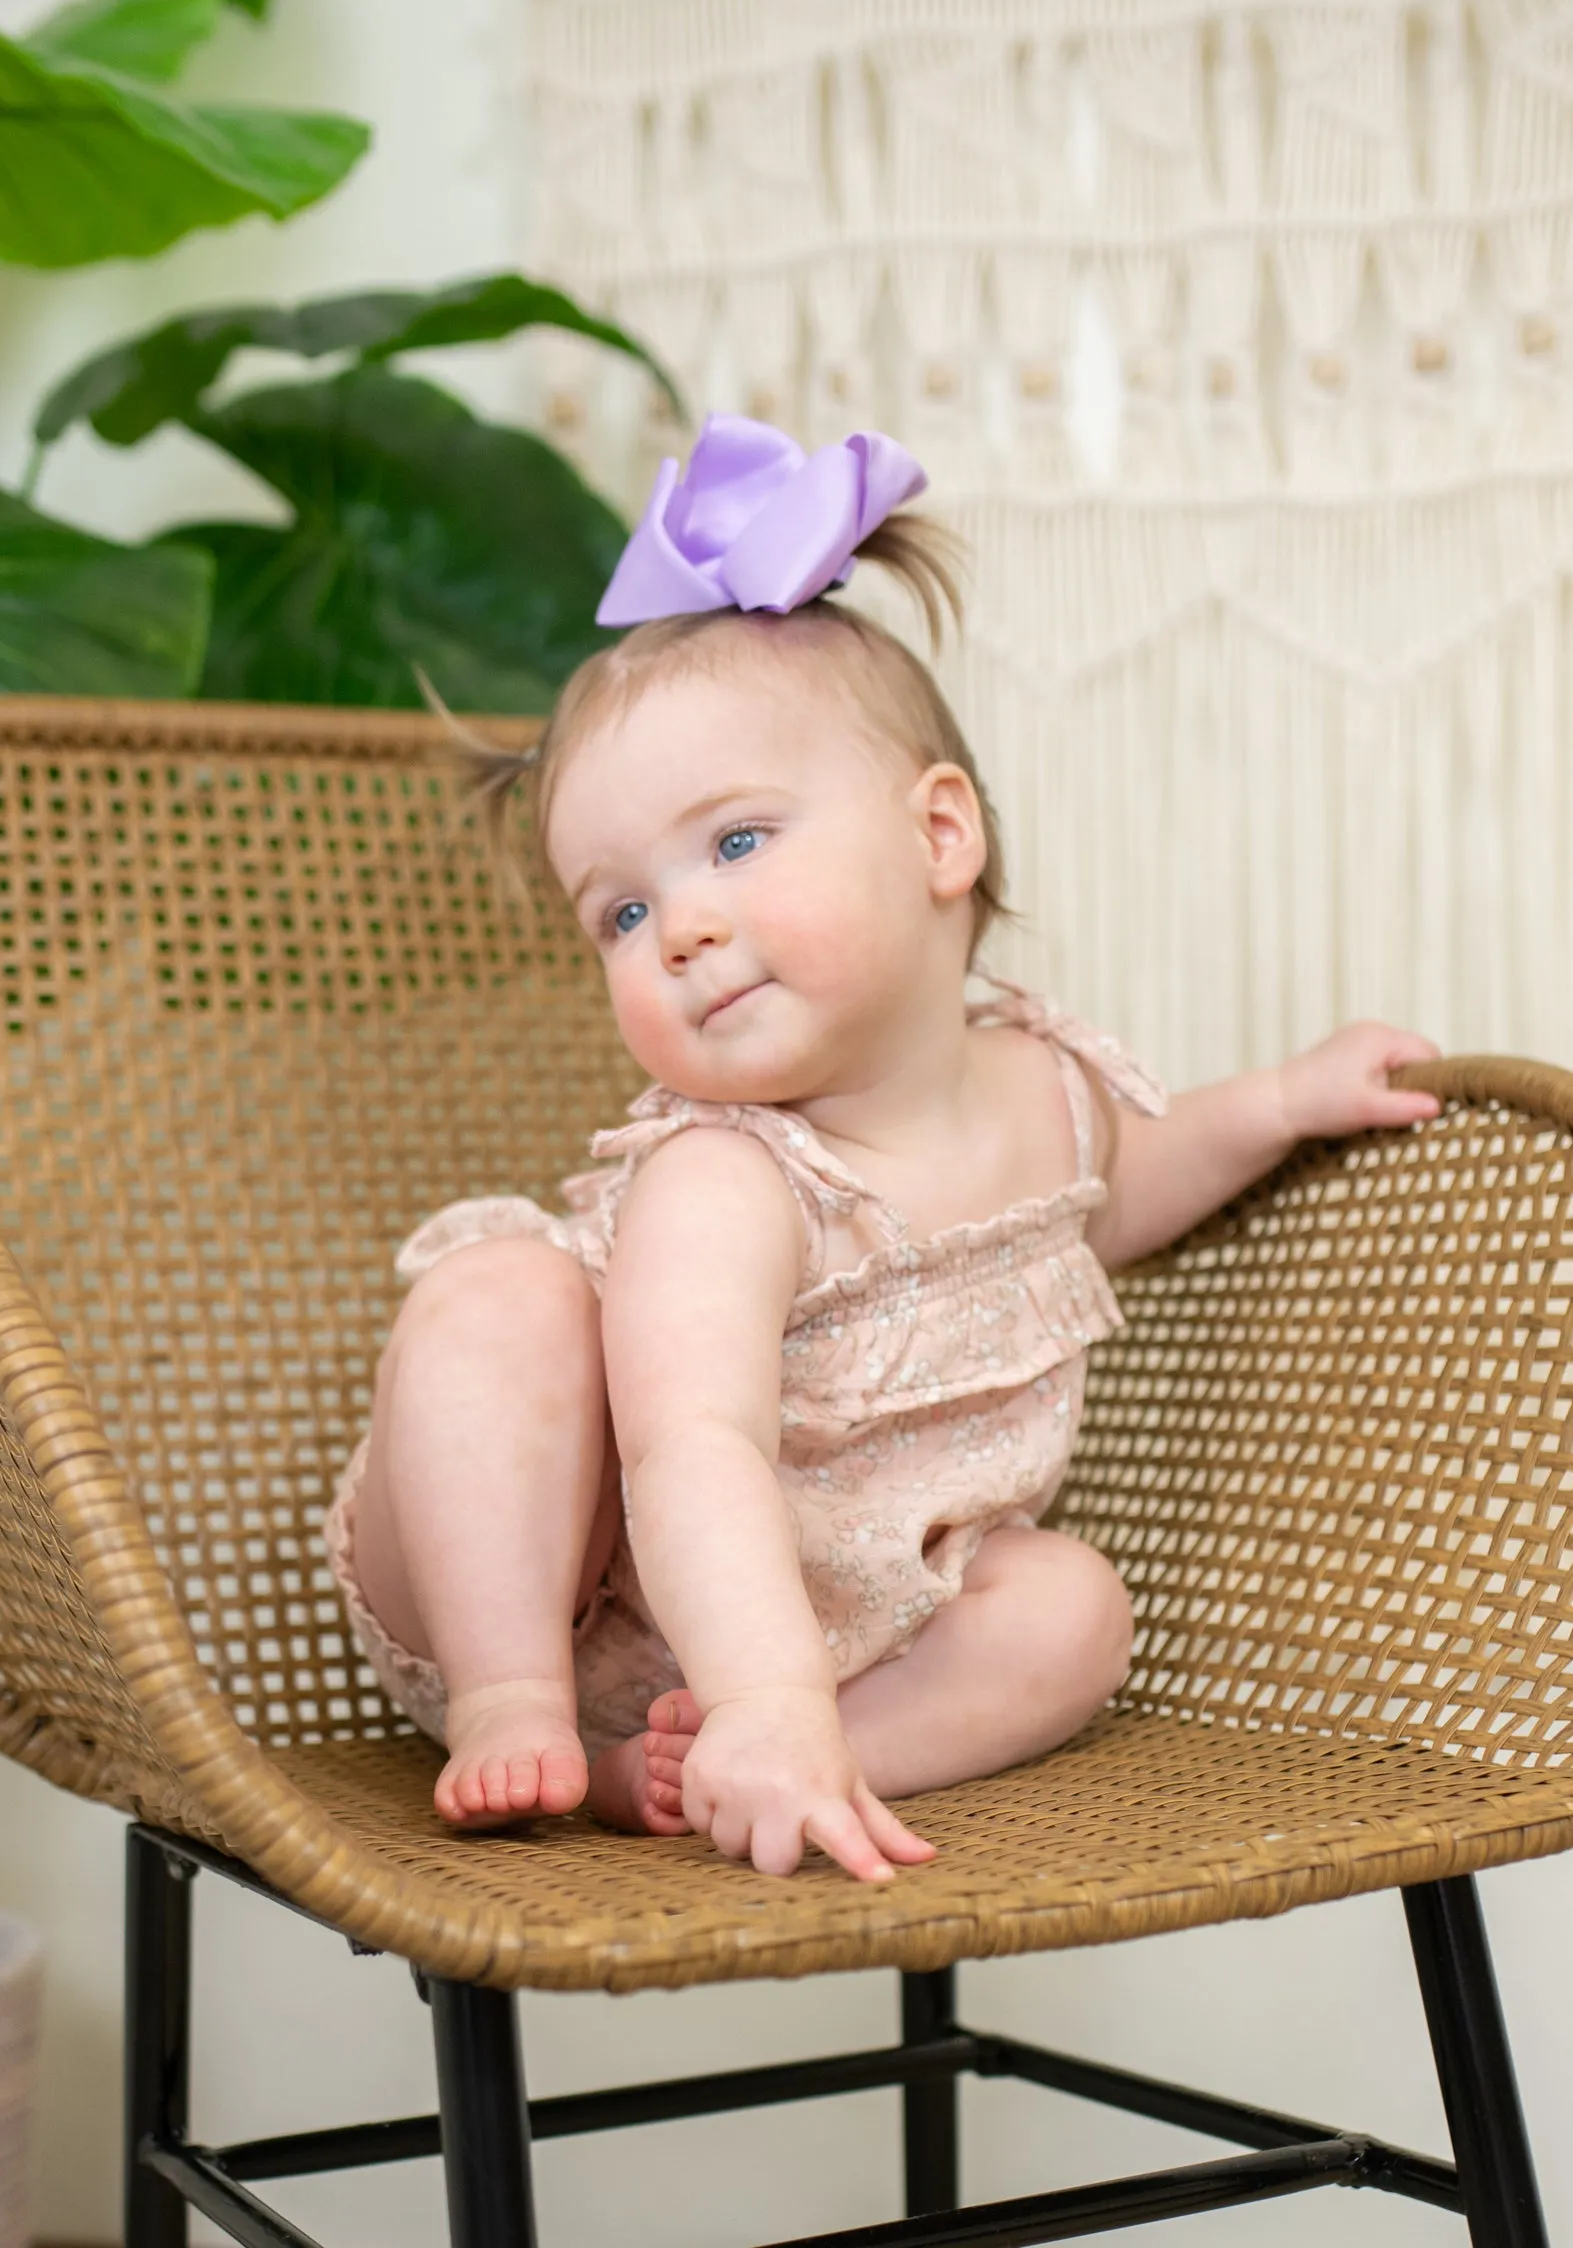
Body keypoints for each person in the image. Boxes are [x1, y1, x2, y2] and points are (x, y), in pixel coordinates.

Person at [326, 415, 1441, 1884]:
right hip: (559, 1581)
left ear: (939, 837)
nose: (684, 930)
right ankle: (530, 1719)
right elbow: (691, 1445)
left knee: (1074, 1614)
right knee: (504, 1298)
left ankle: (757, 1765)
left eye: (732, 845)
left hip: (841, 1635)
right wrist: (750, 1685)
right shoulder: (723, 1178)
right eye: (621, 912)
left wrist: (1283, 1102)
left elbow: (1125, 1187)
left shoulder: (1045, 1091)